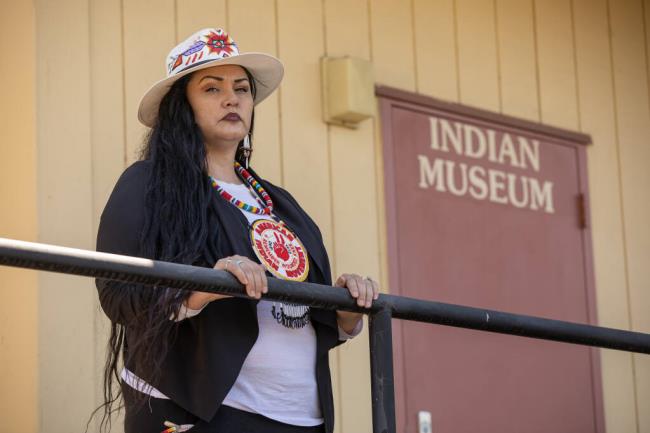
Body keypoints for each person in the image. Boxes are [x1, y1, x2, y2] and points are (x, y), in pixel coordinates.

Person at [95, 28, 379, 433]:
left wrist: (347, 310)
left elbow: (300, 317)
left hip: (302, 418)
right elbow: (118, 294)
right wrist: (206, 286)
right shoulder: (147, 183)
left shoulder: (281, 204)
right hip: (208, 414)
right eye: (212, 89)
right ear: (182, 106)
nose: (232, 98)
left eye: (242, 89)